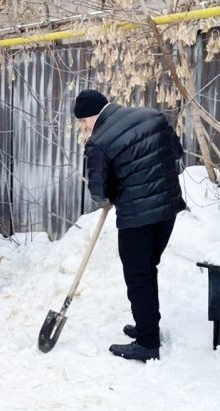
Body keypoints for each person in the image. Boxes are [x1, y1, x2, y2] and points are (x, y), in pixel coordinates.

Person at [74, 88, 187, 362]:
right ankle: (148, 326)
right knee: (148, 270)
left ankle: (148, 344)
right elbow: (176, 153)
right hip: (168, 210)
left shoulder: (98, 141)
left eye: (83, 122)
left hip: (137, 218)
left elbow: (99, 193)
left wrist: (113, 193)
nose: (84, 127)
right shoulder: (153, 116)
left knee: (138, 275)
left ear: (89, 117)